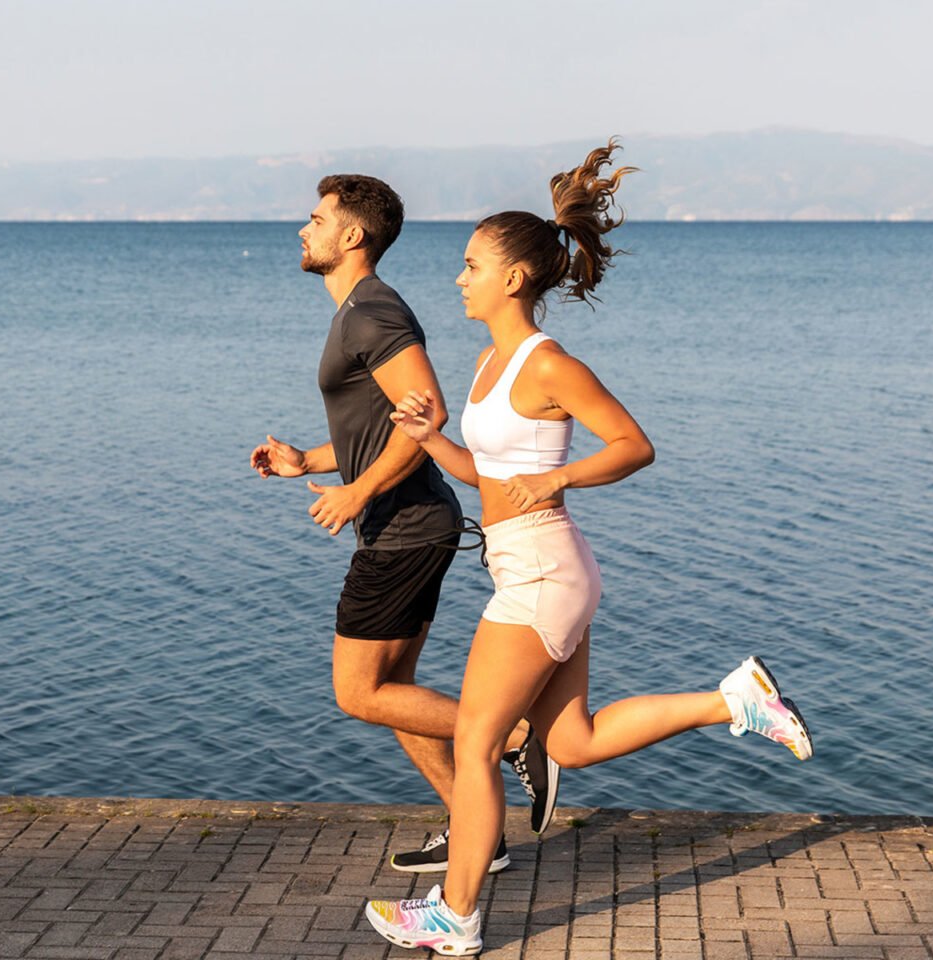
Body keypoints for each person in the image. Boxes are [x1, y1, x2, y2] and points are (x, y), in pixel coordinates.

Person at [362, 141, 814, 956]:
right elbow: (493, 478)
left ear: (511, 278)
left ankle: (455, 916)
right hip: (540, 568)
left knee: (474, 744)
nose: (457, 277)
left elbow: (633, 445)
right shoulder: (487, 364)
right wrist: (433, 441)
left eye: (469, 265)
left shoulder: (548, 364)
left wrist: (562, 479)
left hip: (541, 573)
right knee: (571, 742)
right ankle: (736, 699)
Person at [251, 175, 558, 876]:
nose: (304, 229)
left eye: (316, 218)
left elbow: (429, 416)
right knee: (398, 693)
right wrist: (310, 461)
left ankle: (514, 736)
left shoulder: (373, 312)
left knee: (358, 692)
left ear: (352, 235)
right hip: (410, 526)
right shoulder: (356, 311)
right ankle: (475, 828)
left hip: (406, 531)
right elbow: (383, 428)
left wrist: (355, 492)